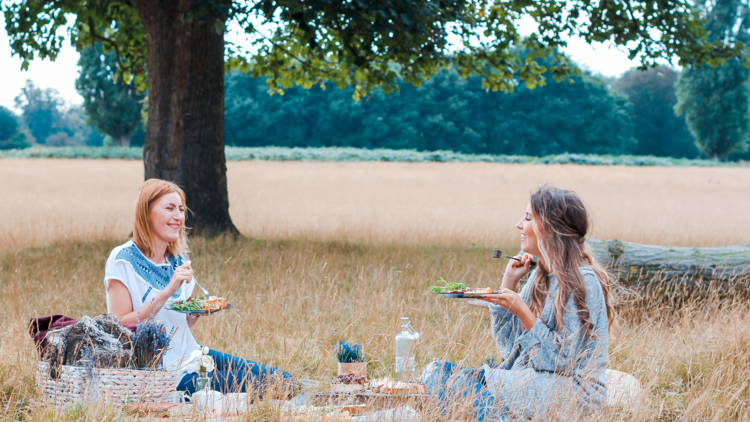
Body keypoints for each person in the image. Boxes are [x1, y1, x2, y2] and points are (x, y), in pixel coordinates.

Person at [422, 186, 618, 420]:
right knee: (436, 372)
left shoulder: (583, 281)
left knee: (460, 385)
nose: (519, 225)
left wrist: (524, 314)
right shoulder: (539, 276)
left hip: (573, 391)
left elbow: (563, 362)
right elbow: (509, 347)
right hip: (536, 380)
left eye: (527, 218)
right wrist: (510, 282)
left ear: (548, 228)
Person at [104, 178, 294, 395]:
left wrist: (197, 311)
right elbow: (119, 326)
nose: (178, 216)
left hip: (191, 356)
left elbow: (179, 324)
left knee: (284, 379)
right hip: (163, 373)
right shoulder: (122, 259)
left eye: (181, 209)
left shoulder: (177, 261)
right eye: (169, 208)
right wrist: (168, 291)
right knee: (263, 384)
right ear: (146, 213)